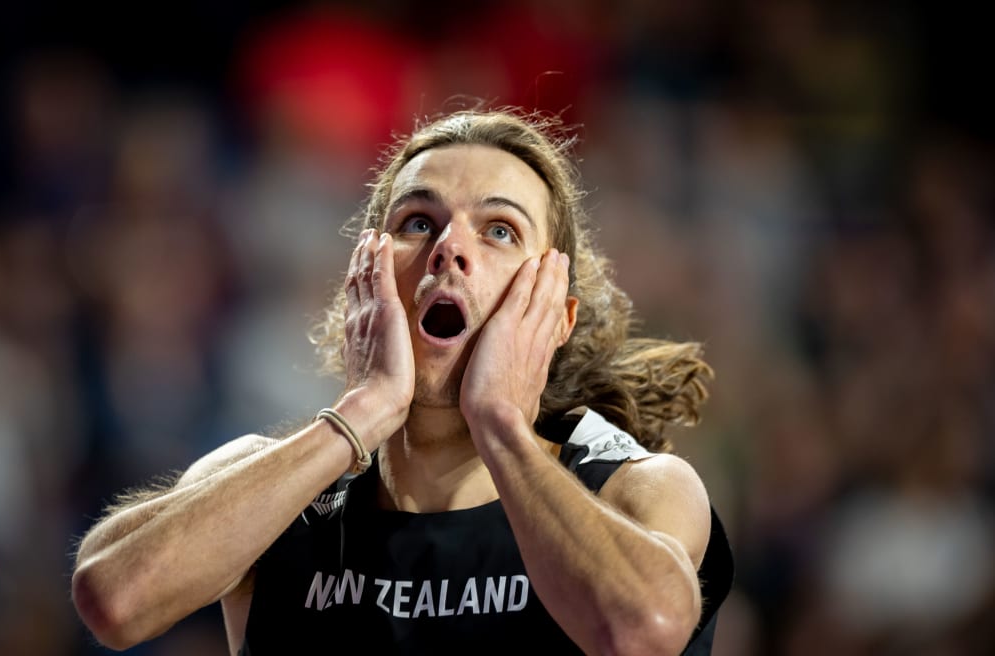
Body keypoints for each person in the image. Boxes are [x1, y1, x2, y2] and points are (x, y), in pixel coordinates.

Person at [70, 107, 733, 655]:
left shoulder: (633, 486)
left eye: (500, 230)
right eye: (419, 221)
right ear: (368, 279)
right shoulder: (284, 491)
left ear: (554, 315)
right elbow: (113, 599)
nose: (450, 247)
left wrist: (500, 421)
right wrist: (362, 414)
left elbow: (642, 632)